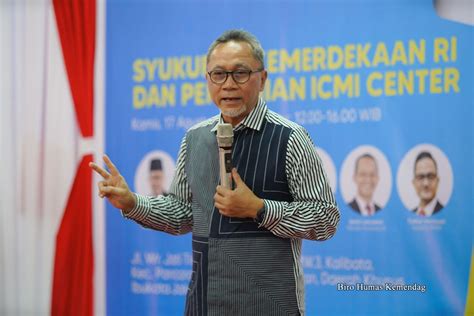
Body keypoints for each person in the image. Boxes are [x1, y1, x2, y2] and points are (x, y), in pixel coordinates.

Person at [90, 29, 340, 316]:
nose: (228, 85)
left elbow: (325, 219)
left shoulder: (291, 138)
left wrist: (259, 208)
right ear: (207, 80)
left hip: (270, 304)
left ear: (263, 80)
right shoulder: (195, 138)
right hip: (205, 303)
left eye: (241, 73)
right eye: (218, 74)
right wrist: (133, 203)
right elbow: (182, 213)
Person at [412, 151, 444, 216]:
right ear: (414, 183)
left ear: (437, 181)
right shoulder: (409, 215)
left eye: (431, 176)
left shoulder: (447, 214)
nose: (426, 184)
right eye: (420, 177)